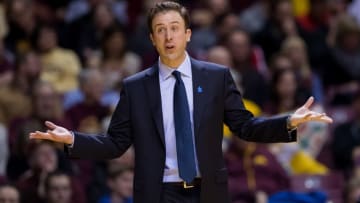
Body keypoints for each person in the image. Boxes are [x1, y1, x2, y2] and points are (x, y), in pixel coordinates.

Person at [30, 2, 332, 203]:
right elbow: (116, 143)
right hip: (158, 193)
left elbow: (245, 127)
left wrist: (288, 122)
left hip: (208, 191)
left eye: (174, 28)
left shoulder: (216, 77)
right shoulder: (135, 87)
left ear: (187, 34)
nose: (168, 35)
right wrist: (72, 138)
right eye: (160, 30)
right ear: (151, 38)